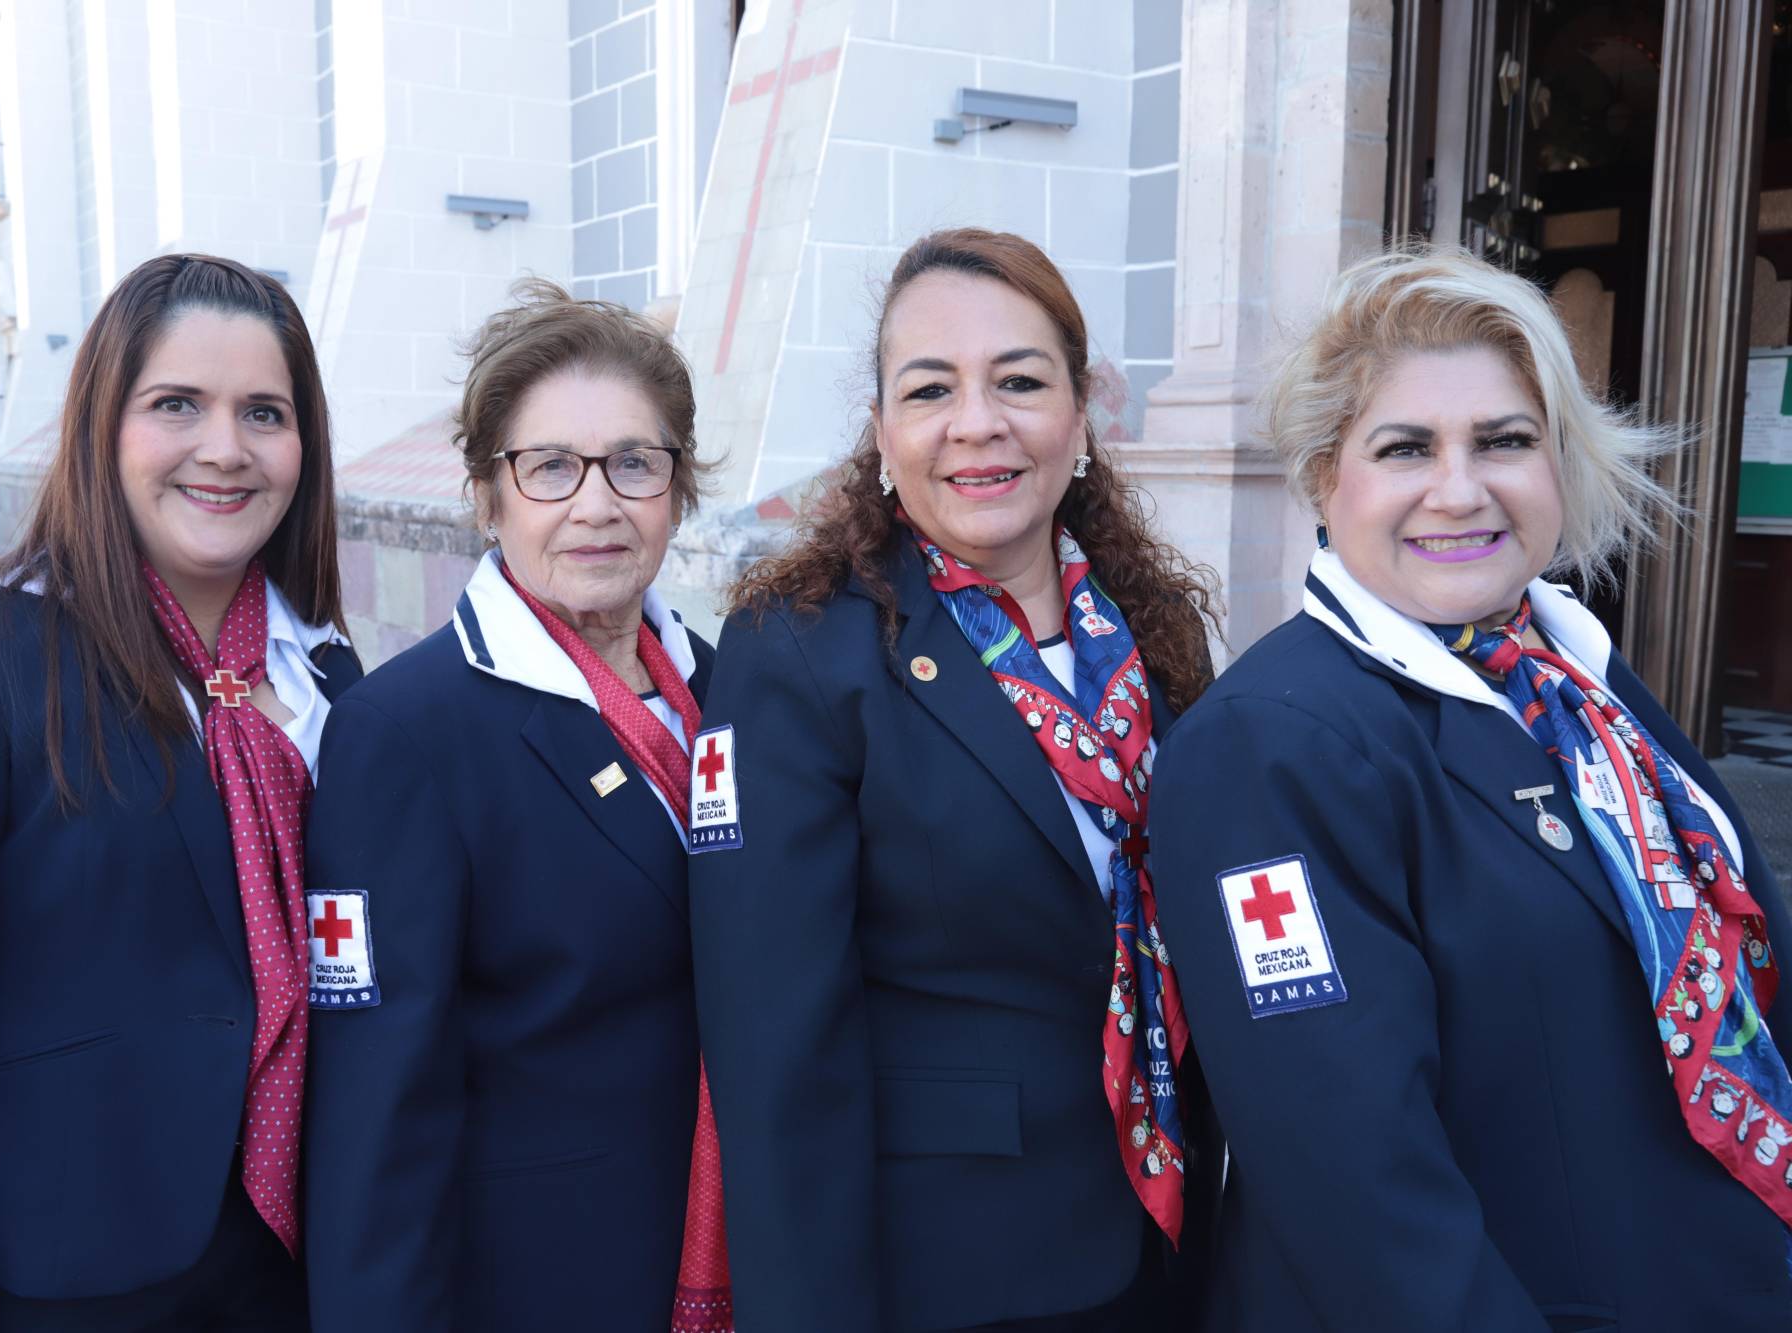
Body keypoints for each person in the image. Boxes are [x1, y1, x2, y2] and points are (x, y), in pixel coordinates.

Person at [1147, 246, 1792, 1330]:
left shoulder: (1573, 679)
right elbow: (1358, 1192)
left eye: (1503, 441)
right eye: (1404, 447)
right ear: (1322, 477)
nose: (1460, 488)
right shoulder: (1266, 748)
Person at [690, 228, 1222, 1332]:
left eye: (1018, 381)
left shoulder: (1152, 632)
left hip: (1166, 1240)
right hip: (946, 1268)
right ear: (881, 433)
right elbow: (776, 1047)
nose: (976, 422)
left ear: (1080, 415)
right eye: (929, 388)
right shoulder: (796, 652)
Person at [0, 254, 357, 1330]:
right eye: (175, 405)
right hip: (67, 1283)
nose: (225, 448)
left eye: (264, 411)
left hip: (299, 1266)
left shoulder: (325, 668)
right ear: (103, 425)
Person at [302, 281, 728, 1330]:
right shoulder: (404, 732)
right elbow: (377, 1112)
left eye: (635, 461)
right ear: (488, 494)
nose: (596, 504)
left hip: (740, 1252)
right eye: (549, 467)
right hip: (539, 1286)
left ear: (677, 487)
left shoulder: (733, 693)